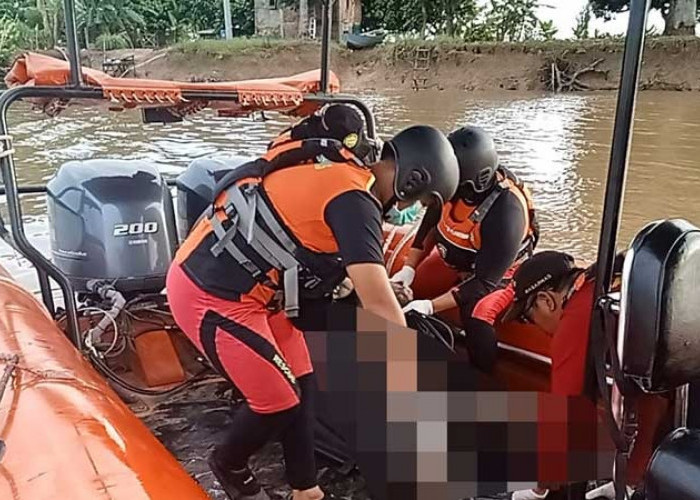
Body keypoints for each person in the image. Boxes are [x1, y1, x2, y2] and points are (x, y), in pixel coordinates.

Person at [166, 124, 459, 500]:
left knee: (303, 383)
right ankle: (230, 465)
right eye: (419, 200)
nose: (410, 209)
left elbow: (348, 272)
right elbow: (380, 304)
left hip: (260, 295)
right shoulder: (354, 201)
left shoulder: (347, 176)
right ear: (414, 180)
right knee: (278, 399)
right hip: (209, 292)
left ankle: (306, 489)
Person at [495, 251, 673, 499]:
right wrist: (630, 478)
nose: (532, 325)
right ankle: (633, 481)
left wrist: (537, 490)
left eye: (528, 317)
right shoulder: (605, 283)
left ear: (547, 300)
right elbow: (655, 396)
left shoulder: (577, 318)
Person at [395, 125, 538, 329]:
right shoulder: (448, 189)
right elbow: (430, 226)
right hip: (457, 260)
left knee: (475, 315)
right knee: (415, 286)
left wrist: (430, 306)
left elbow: (484, 282)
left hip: (497, 273)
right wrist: (409, 268)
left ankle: (479, 360)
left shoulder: (506, 211)